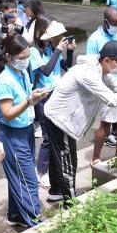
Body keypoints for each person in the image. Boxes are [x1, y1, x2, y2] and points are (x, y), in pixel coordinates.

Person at [44, 41, 117, 198]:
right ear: (106, 60)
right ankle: (69, 204)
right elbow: (112, 100)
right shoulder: (88, 73)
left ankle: (56, 191)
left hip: (59, 115)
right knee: (68, 159)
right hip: (59, 119)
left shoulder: (103, 72)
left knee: (59, 155)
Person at [0, 34, 49, 227]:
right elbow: (7, 113)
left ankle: (15, 215)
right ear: (9, 57)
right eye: (22, 57)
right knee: (29, 179)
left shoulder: (21, 73)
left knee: (18, 175)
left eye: (27, 56)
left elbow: (25, 99)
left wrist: (35, 96)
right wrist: (29, 101)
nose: (26, 61)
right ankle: (35, 222)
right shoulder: (4, 81)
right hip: (12, 134)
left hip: (25, 130)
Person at [86, 7, 117, 162]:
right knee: (106, 123)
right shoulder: (94, 39)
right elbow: (91, 65)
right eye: (114, 24)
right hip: (106, 85)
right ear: (105, 22)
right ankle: (96, 158)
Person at [31, 20, 76, 188]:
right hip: (44, 96)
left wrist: (69, 52)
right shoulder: (34, 51)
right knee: (47, 137)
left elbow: (66, 66)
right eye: (51, 35)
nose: (55, 38)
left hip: (57, 93)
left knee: (56, 135)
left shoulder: (50, 47)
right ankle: (40, 171)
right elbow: (46, 70)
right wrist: (58, 50)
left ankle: (50, 169)